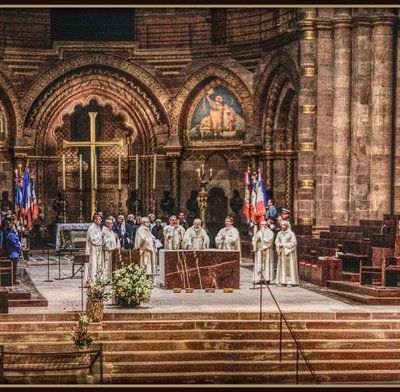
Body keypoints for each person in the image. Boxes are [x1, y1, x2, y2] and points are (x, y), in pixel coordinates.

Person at [275, 221, 299, 287]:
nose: (282, 226)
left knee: (289, 266)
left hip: (288, 252)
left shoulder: (291, 233)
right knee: (281, 266)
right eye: (281, 225)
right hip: (282, 251)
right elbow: (277, 241)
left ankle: (289, 281)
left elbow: (293, 243)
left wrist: (284, 245)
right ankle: (280, 280)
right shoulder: (279, 233)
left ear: (287, 226)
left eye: (284, 225)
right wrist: (278, 244)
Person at [252, 220, 275, 284]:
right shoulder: (258, 232)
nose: (263, 226)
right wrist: (256, 240)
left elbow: (270, 241)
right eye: (262, 225)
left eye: (264, 224)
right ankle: (259, 278)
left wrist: (261, 239)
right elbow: (254, 240)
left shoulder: (270, 232)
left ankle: (267, 279)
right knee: (259, 264)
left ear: (267, 225)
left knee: (267, 264)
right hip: (259, 250)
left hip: (267, 251)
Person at [85, 214, 103, 281]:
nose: (101, 220)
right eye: (99, 219)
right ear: (95, 220)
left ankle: (97, 278)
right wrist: (100, 235)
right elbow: (93, 239)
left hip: (98, 248)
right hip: (93, 249)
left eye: (101, 219)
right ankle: (93, 279)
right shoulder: (92, 227)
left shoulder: (98, 227)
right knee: (93, 264)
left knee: (98, 263)